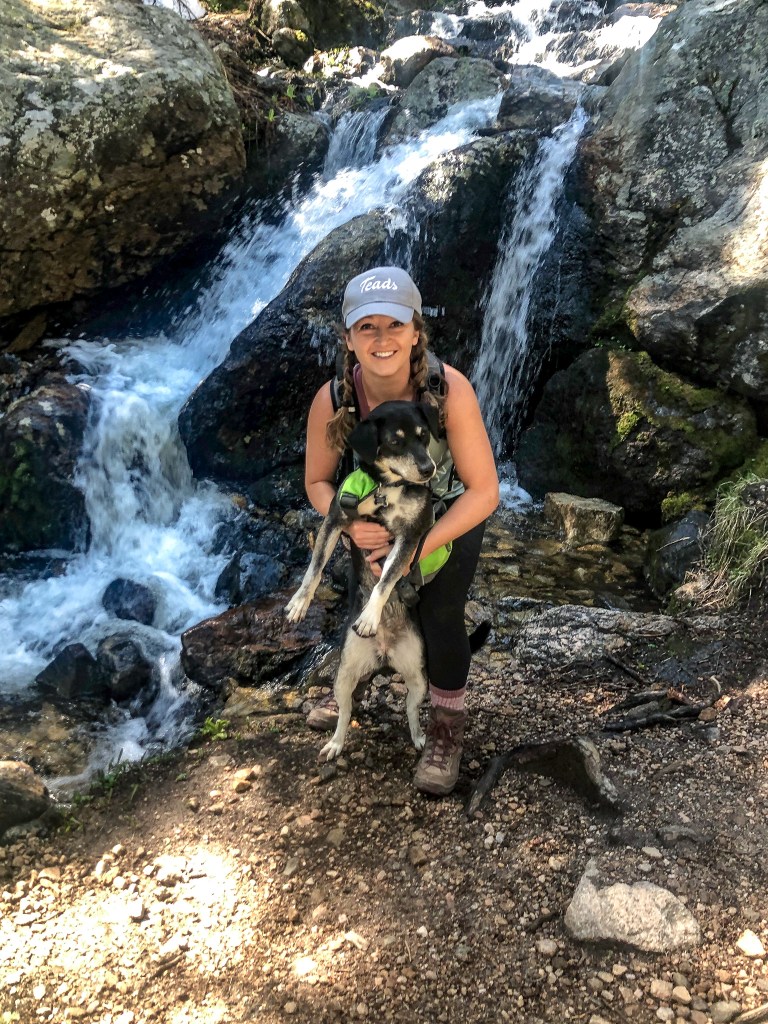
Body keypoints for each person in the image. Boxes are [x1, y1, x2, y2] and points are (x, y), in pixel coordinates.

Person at [302, 266, 499, 795]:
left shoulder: (448, 390)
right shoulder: (334, 398)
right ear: (348, 338)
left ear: (416, 332)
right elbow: (319, 482)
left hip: (449, 514)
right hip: (374, 513)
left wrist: (416, 549)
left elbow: (485, 491)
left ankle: (445, 726)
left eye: (395, 325)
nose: (382, 338)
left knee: (437, 610)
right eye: (368, 327)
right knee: (359, 598)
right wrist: (350, 530)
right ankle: (353, 686)